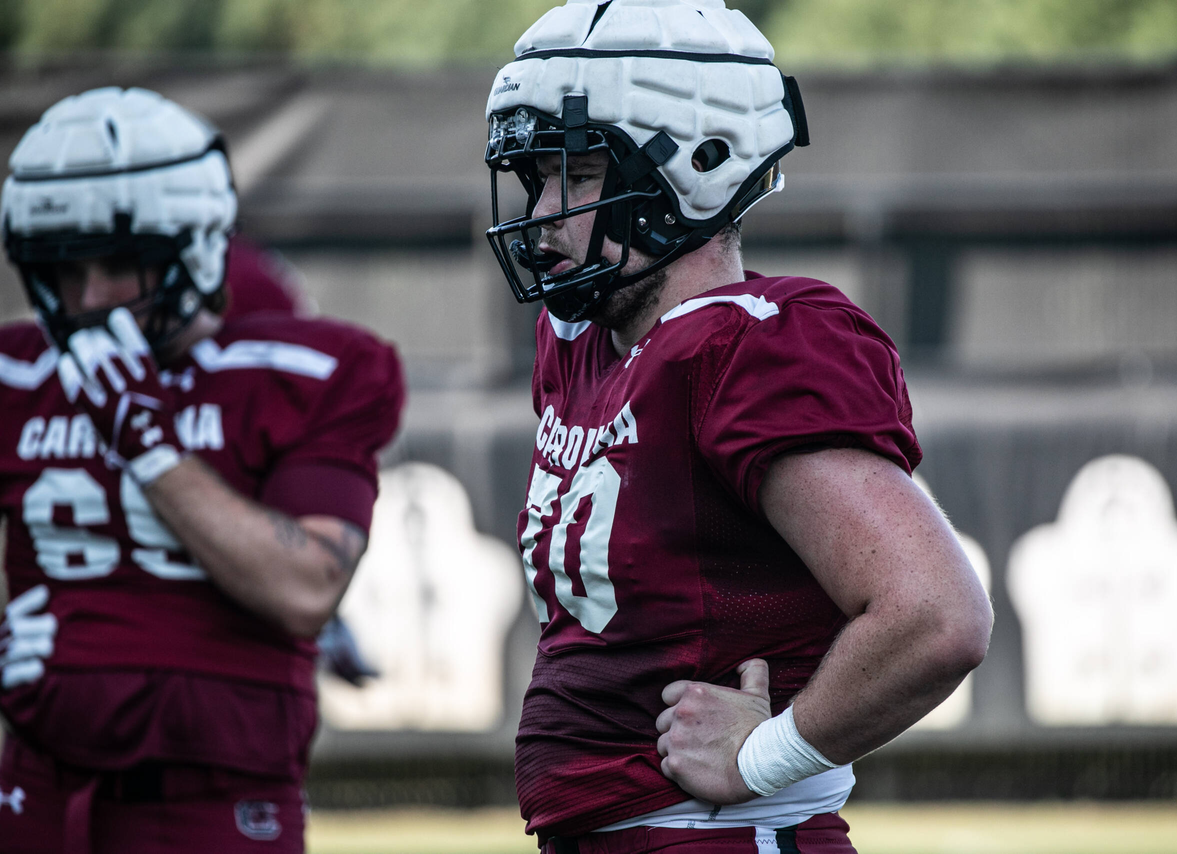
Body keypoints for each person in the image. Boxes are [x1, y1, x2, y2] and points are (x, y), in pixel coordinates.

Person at [484, 1, 993, 851]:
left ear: (698, 166)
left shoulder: (748, 346)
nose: (546, 210)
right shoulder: (581, 344)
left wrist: (766, 755)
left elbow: (936, 616)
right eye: (537, 178)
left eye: (578, 174)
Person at [0, 87, 404, 853]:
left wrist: (150, 446)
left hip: (217, 796)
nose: (89, 298)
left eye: (119, 265)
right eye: (63, 267)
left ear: (192, 249)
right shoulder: (18, 373)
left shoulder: (305, 367)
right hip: (37, 787)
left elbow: (303, 588)